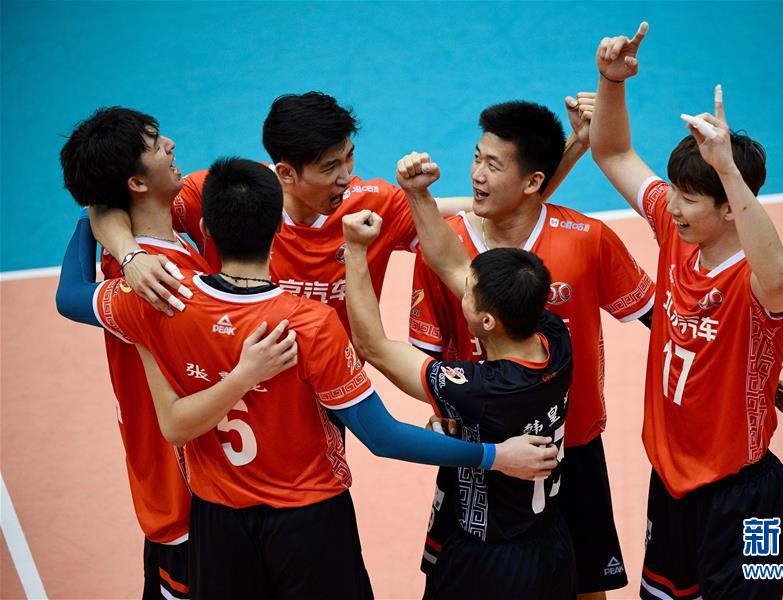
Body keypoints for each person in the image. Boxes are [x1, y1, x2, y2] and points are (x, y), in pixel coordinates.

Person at [57, 157, 560, 599]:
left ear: (206, 227)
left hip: (218, 520)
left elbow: (71, 295)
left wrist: (97, 216)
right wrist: (493, 456)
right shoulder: (308, 324)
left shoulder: (160, 301)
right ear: (277, 231)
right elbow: (382, 436)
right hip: (309, 519)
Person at [589, 22, 783, 600]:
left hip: (742, 495)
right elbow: (612, 152)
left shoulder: (763, 283)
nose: (672, 206)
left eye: (688, 197)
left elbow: (775, 276)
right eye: (674, 192)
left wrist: (729, 169)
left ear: (731, 206)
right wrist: (611, 82)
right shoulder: (677, 235)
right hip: (672, 482)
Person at [407, 101, 655, 598]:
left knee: (586, 584)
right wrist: (442, 415)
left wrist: (736, 356)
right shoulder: (444, 245)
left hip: (572, 441)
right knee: (453, 579)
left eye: (493, 165)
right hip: (478, 453)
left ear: (533, 180)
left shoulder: (587, 239)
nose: (476, 175)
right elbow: (427, 354)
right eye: (476, 158)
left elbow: (659, 317)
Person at [89, 92, 588, 332]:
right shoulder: (233, 193)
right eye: (330, 167)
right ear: (285, 173)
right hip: (239, 380)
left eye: (350, 158)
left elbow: (496, 208)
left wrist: (574, 148)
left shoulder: (373, 203)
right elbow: (105, 204)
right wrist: (130, 256)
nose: (347, 176)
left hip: (327, 387)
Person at [343, 181, 575, 599]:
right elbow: (452, 264)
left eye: (468, 293)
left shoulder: (478, 388)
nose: (460, 288)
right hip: (550, 543)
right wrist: (418, 196)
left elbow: (372, 346)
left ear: (487, 321)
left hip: (490, 561)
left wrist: (356, 252)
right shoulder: (554, 337)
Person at [56, 107, 207, 600]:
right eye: (156, 144)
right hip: (189, 498)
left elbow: (94, 221)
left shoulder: (136, 256)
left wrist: (121, 245)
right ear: (137, 184)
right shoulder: (155, 285)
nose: (171, 144)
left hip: (170, 493)